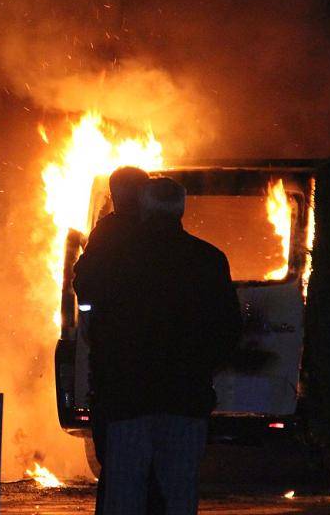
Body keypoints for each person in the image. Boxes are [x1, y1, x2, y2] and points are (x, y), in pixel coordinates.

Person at [77, 177, 241, 515]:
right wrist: (201, 369)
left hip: (128, 397)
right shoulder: (208, 258)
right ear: (181, 210)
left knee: (125, 491)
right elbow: (227, 329)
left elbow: (87, 294)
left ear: (144, 208)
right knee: (179, 491)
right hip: (185, 398)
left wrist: (104, 355)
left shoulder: (116, 257)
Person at [74, 166, 167, 515]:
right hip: (156, 368)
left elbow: (84, 282)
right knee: (156, 462)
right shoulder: (158, 233)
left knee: (114, 460)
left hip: (114, 365)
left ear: (114, 195)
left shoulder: (107, 233)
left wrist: (90, 318)